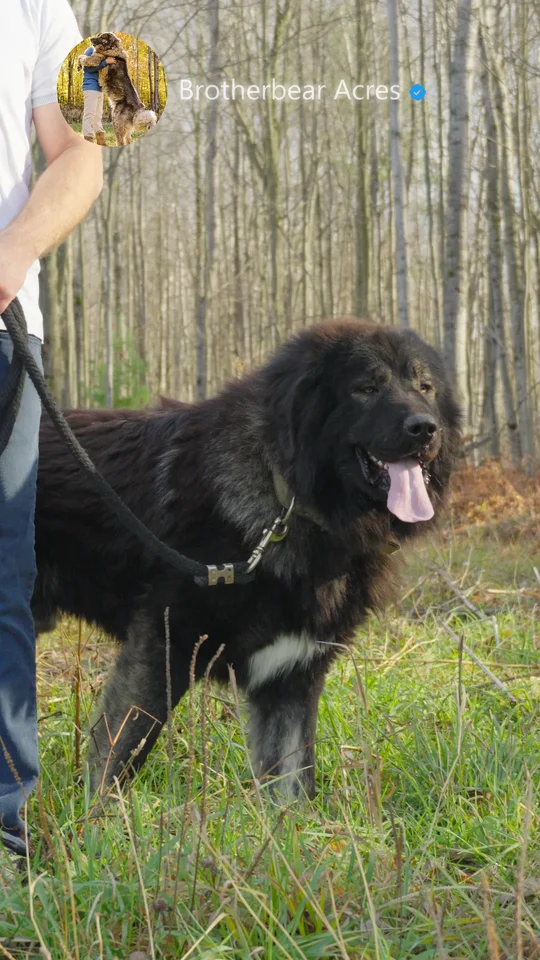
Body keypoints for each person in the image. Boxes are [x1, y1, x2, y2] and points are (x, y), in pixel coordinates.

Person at [0, 0, 103, 858]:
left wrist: (14, 249)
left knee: (2, 582)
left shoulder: (39, 6)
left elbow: (81, 155)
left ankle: (1, 828)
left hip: (1, 334)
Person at [81, 46, 117, 145]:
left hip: (99, 88)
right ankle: (88, 141)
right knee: (89, 115)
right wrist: (106, 62)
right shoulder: (90, 50)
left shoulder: (103, 52)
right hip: (90, 87)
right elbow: (88, 68)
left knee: (98, 115)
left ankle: (101, 141)